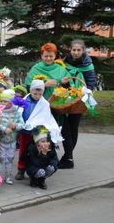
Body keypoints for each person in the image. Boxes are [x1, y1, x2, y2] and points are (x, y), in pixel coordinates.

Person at [59, 39, 97, 169]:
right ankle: (68, 158)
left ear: (83, 51)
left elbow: (91, 82)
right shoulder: (65, 62)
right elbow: (62, 78)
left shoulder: (88, 64)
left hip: (80, 99)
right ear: (70, 50)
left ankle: (68, 158)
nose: (76, 52)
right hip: (65, 98)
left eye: (78, 50)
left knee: (73, 127)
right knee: (65, 128)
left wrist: (85, 93)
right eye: (73, 50)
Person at [15, 80, 63, 180]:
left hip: (37, 131)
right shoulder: (24, 100)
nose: (37, 96)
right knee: (23, 149)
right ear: (31, 91)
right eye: (35, 93)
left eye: (40, 94)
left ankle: (37, 170)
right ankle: (21, 169)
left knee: (37, 150)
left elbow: (46, 116)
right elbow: (18, 112)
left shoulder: (44, 103)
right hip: (25, 130)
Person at [0, 89, 25, 184]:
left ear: (11, 102)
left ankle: (8, 177)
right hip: (1, 139)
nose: (3, 103)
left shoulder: (17, 111)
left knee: (10, 158)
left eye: (5, 101)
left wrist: (15, 126)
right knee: (1, 158)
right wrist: (4, 129)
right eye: (2, 101)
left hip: (12, 140)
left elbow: (22, 124)